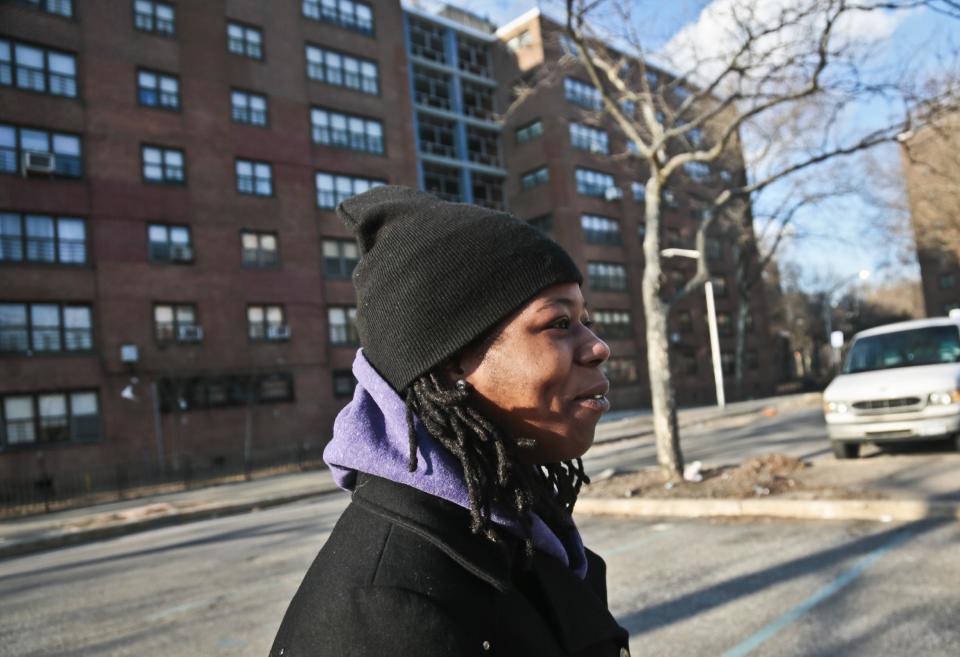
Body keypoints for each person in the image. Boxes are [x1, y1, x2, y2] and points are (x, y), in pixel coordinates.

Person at [269, 186, 630, 657]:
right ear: (453, 362)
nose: (598, 346)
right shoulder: (387, 609)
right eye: (559, 324)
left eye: (586, 320)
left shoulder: (511, 524)